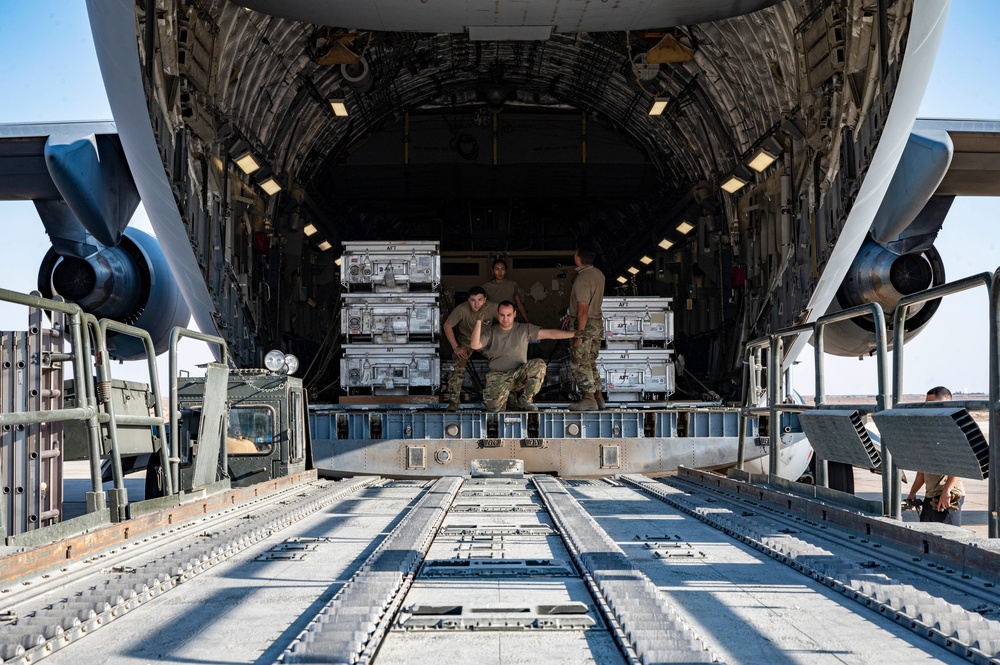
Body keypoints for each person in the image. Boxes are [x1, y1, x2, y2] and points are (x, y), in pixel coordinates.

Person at [469, 300, 576, 411]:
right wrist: (478, 321)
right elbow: (474, 345)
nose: (505, 318)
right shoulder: (490, 332)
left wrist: (574, 334)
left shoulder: (523, 329)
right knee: (494, 407)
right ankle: (510, 397)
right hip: (498, 376)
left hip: (519, 374)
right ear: (497, 314)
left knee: (539, 365)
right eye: (502, 315)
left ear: (514, 314)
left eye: (509, 315)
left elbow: (550, 334)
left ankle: (526, 399)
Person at [906, 386, 966, 526]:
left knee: (949, 540)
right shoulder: (930, 432)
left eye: (932, 405)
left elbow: (959, 465)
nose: (928, 409)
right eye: (926, 405)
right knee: (926, 539)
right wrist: (912, 493)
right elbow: (922, 470)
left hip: (947, 496)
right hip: (931, 496)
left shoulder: (951, 431)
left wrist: (947, 491)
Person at [442, 287, 498, 410]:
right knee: (459, 361)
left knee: (502, 360)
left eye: (480, 300)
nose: (476, 304)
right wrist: (455, 347)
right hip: (467, 339)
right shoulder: (462, 309)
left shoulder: (493, 307)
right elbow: (447, 325)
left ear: (485, 300)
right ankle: (454, 401)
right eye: (473, 300)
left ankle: (508, 397)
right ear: (468, 300)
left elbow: (506, 321)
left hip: (486, 339)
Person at [566, 246, 606, 411]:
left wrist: (578, 335)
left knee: (580, 360)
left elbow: (583, 309)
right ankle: (598, 396)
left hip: (586, 324)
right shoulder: (599, 274)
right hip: (596, 322)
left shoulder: (583, 278)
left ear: (578, 258)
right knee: (590, 361)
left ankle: (588, 398)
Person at [482, 258, 530, 323]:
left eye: (502, 269)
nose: (500, 272)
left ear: (506, 271)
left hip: (509, 320)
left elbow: (520, 305)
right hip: (493, 321)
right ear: (493, 271)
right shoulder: (486, 287)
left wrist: (527, 322)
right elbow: (482, 306)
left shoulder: (512, 285)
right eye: (497, 269)